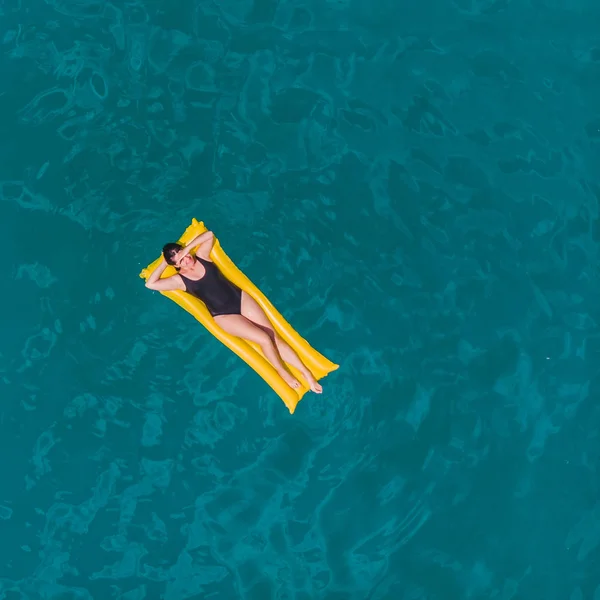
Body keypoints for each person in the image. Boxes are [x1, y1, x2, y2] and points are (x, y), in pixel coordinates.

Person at [145, 230, 323, 393]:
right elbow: (150, 283)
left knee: (273, 336)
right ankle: (282, 372)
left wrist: (187, 248)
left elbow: (209, 235)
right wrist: (163, 261)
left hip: (241, 299)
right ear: (175, 265)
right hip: (224, 315)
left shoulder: (202, 256)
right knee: (263, 339)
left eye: (183, 253)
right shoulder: (179, 280)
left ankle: (307, 374)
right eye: (180, 259)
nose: (186, 258)